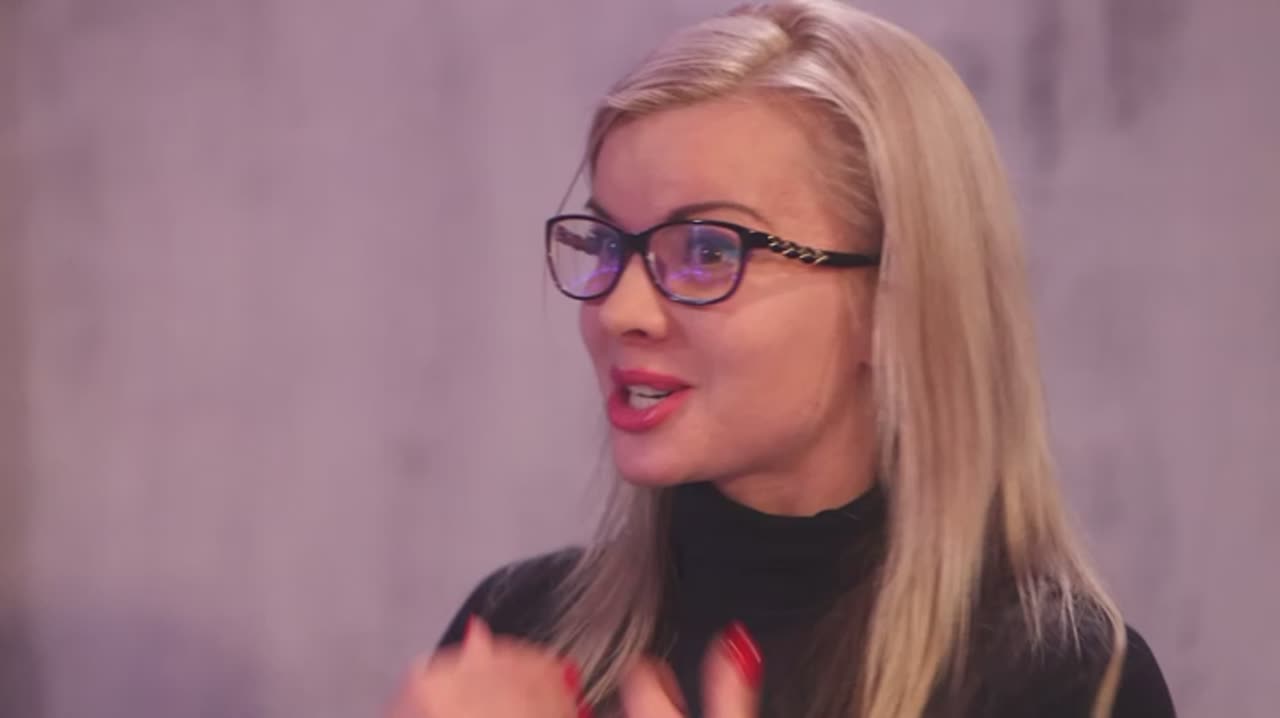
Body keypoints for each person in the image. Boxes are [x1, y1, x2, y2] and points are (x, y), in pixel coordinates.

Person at [389, 1, 1177, 716]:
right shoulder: (517, 636)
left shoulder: (1064, 684)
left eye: (707, 251)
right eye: (606, 244)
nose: (618, 312)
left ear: (893, 301)